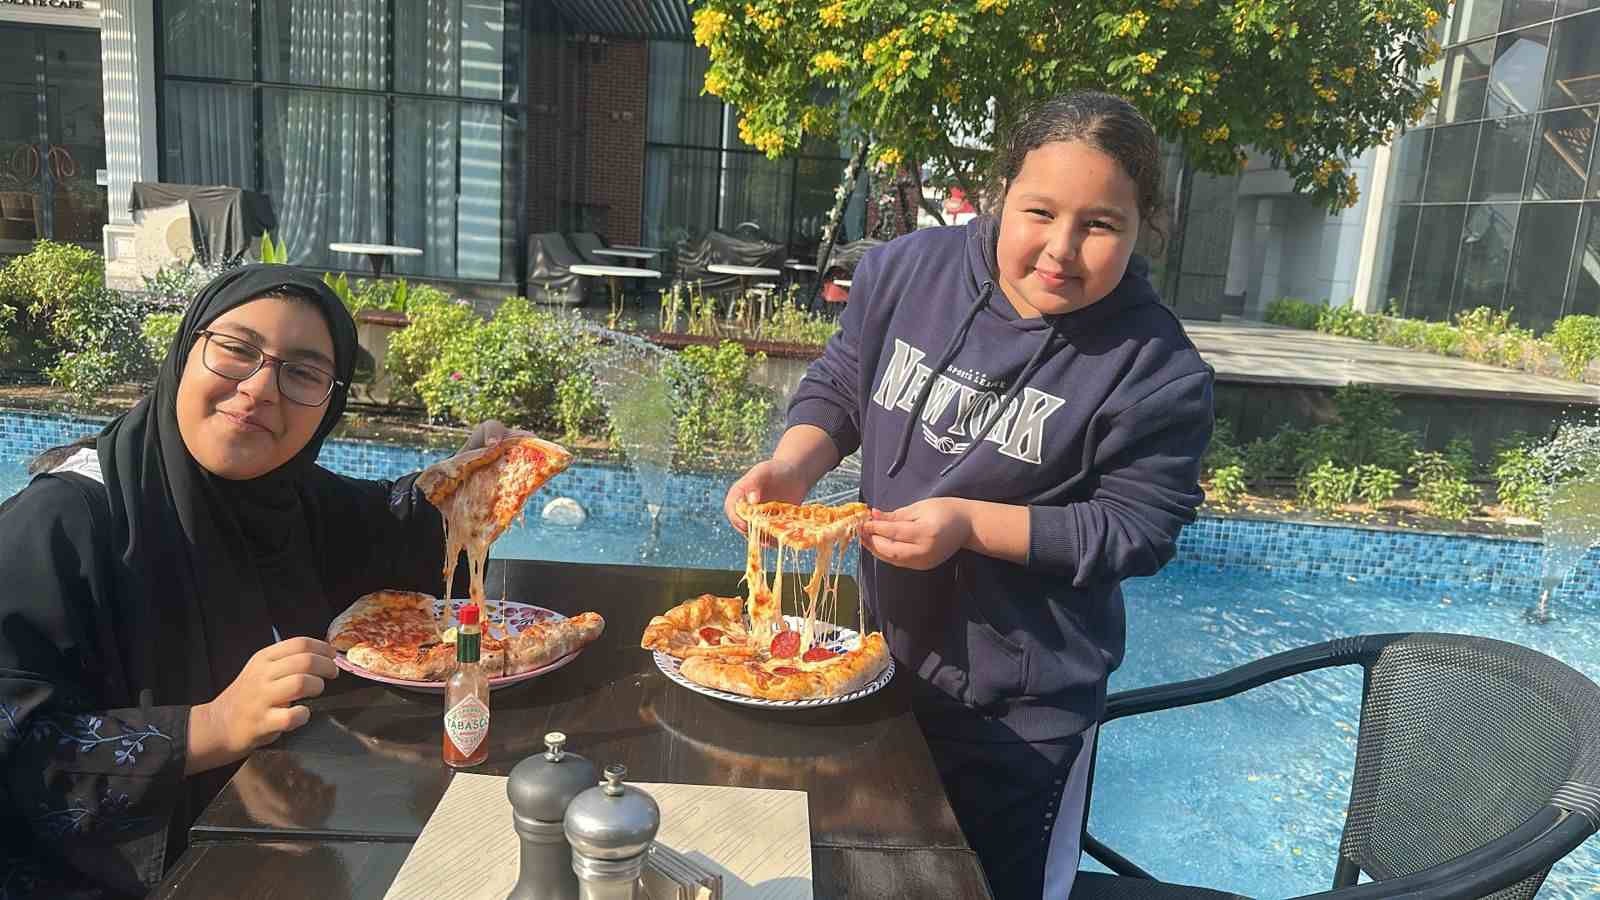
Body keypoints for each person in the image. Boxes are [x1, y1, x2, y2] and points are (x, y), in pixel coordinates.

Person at [724, 91, 1214, 898]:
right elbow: (844, 381)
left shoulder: (1157, 371)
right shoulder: (909, 271)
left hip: (1019, 717)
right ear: (999, 192)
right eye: (1039, 212)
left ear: (1144, 225)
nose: (1061, 249)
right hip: (876, 663)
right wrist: (791, 467)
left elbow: (1136, 529)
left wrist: (968, 524)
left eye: (1100, 225)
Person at [0, 265, 503, 898]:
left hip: (283, 853)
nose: (261, 388)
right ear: (186, 352)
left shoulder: (288, 498)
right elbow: (16, 742)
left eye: (303, 373)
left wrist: (468, 480)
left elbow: (394, 525)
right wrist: (209, 727)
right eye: (237, 349)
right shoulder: (62, 521)